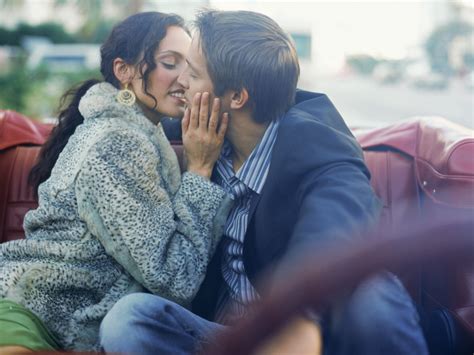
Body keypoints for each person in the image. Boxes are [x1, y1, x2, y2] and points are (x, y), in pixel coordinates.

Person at [100, 10, 429, 355]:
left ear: (236, 97)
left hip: (303, 338)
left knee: (368, 291)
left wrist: (299, 313)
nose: (181, 81)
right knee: (129, 318)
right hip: (225, 339)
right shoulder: (194, 132)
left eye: (193, 74)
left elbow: (338, 218)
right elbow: (126, 121)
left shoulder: (317, 139)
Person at [0, 12, 232, 353]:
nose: (185, 79)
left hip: (46, 308)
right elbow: (173, 276)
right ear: (123, 71)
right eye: (170, 63)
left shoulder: (138, 131)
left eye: (191, 66)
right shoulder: (117, 143)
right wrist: (199, 170)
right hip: (31, 312)